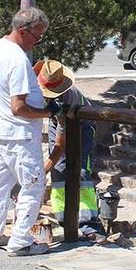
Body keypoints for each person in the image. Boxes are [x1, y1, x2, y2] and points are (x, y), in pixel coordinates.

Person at [0, 7, 56, 257]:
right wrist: (50, 113)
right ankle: (21, 242)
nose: (38, 41)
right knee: (33, 186)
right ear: (24, 31)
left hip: (0, 133)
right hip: (20, 136)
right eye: (37, 36)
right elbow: (19, 107)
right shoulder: (18, 59)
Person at [34, 59, 100, 230]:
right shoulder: (35, 86)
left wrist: (42, 171)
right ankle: (64, 217)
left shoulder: (68, 99)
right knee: (59, 171)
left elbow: (60, 145)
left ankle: (88, 221)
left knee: (81, 170)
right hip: (57, 121)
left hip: (81, 125)